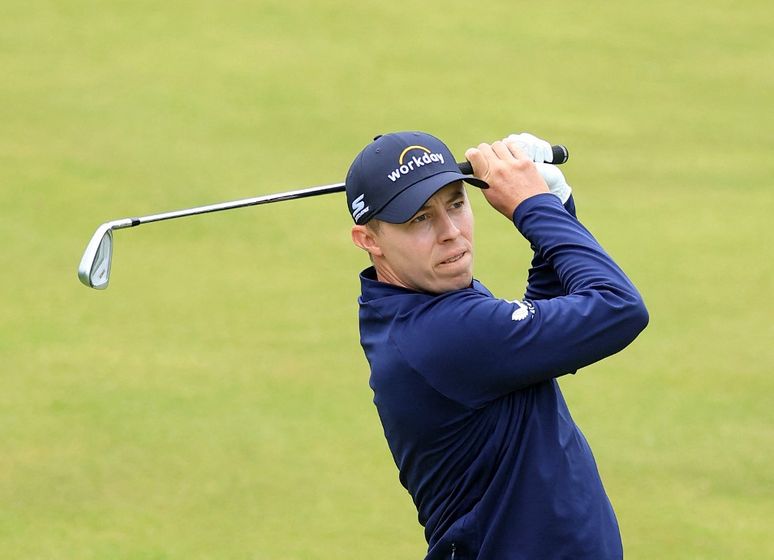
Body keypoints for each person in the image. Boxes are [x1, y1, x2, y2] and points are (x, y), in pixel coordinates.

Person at [345, 130, 649, 560]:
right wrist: (534, 206)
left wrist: (557, 202)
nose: (451, 232)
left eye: (455, 203)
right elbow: (618, 308)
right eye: (420, 219)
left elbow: (535, 343)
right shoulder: (443, 335)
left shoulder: (418, 301)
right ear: (369, 240)